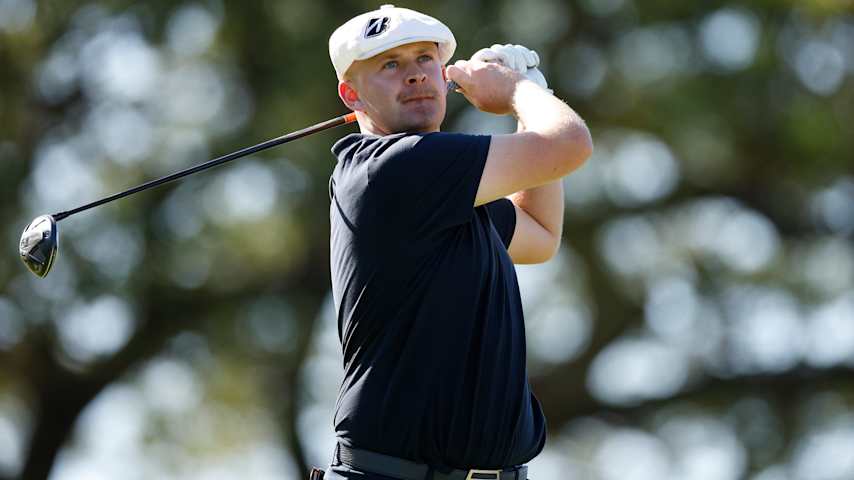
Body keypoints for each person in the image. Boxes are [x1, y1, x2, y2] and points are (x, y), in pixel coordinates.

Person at [322, 4, 592, 480]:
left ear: (444, 75)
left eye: (425, 59)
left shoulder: (445, 188)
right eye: (390, 64)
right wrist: (519, 91)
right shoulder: (396, 168)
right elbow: (569, 146)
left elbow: (540, 234)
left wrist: (533, 98)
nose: (414, 75)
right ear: (351, 94)